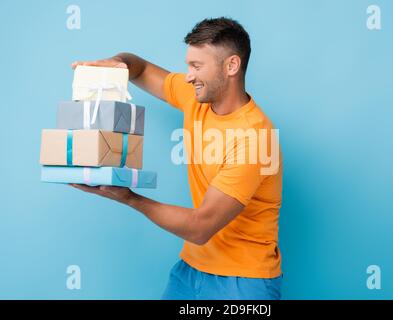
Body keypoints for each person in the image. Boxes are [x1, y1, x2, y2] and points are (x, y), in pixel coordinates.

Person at [71, 17, 283, 300]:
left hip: (242, 281)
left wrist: (129, 197)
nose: (188, 76)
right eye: (188, 65)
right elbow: (142, 68)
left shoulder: (254, 138)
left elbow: (200, 227)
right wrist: (119, 63)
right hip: (191, 267)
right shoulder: (196, 98)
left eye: (197, 66)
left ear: (231, 66)